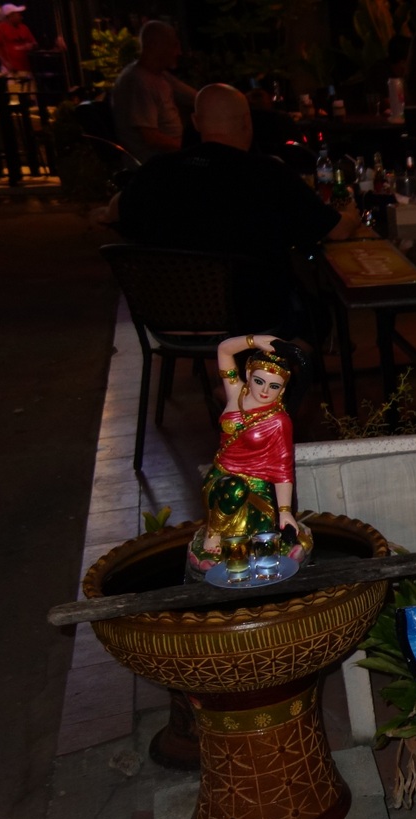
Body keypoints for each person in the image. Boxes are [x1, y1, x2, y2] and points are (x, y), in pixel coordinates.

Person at [114, 84, 359, 337]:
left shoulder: (155, 171)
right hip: (253, 320)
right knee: (315, 314)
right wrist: (351, 212)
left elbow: (117, 210)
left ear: (196, 122)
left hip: (166, 319)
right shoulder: (268, 174)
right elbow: (336, 231)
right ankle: (289, 355)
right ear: (246, 121)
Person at [188, 334, 312, 567]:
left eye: (274, 386)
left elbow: (282, 468)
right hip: (222, 477)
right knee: (232, 489)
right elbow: (224, 350)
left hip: (257, 485)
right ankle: (214, 531)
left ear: (282, 389)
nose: (265, 391)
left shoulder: (279, 421)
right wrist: (254, 341)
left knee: (264, 540)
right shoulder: (236, 394)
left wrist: (285, 511)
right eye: (259, 381)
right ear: (248, 375)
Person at [111, 20, 197, 162]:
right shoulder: (138, 82)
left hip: (174, 155)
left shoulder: (159, 75)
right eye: (174, 45)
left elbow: (198, 98)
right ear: (154, 45)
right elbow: (152, 138)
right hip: (158, 163)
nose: (179, 52)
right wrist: (190, 149)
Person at [0, 3, 37, 76]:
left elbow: (34, 43)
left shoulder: (24, 28)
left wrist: (32, 45)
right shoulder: (0, 28)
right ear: (10, 16)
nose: (21, 17)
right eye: (18, 15)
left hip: (26, 68)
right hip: (11, 70)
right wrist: (6, 63)